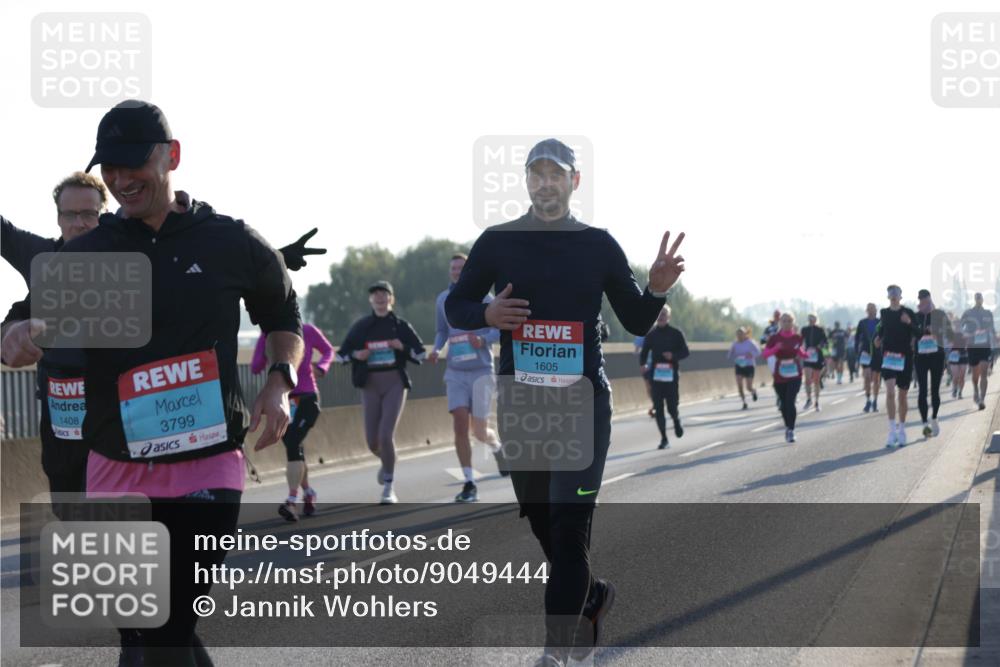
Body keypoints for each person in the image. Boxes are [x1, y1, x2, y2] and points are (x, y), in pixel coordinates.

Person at [1, 100, 303, 666]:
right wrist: (15, 335)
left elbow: (284, 315)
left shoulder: (231, 240)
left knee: (164, 621)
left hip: (206, 462)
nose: (119, 179)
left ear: (172, 157)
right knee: (152, 631)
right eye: (108, 168)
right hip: (113, 464)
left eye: (131, 164)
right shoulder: (89, 251)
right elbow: (22, 319)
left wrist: (279, 381)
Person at [445, 138, 685, 667]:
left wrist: (657, 288)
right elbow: (458, 304)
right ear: (526, 181)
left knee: (569, 526)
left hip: (582, 403)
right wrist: (486, 316)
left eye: (557, 174)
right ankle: (593, 594)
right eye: (537, 174)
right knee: (538, 516)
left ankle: (555, 654)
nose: (546, 182)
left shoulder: (597, 245)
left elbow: (638, 321)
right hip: (521, 401)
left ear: (575, 182)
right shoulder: (498, 241)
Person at [0, 173, 107, 500]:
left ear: (103, 215)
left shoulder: (129, 258)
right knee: (68, 499)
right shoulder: (41, 256)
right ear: (58, 218)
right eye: (70, 215)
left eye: (89, 214)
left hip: (114, 406)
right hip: (60, 406)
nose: (80, 223)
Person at [336, 280, 425, 504]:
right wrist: (357, 355)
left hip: (394, 382)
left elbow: (420, 354)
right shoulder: (362, 326)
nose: (380, 298)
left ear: (391, 299)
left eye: (384, 295)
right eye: (375, 295)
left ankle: (388, 486)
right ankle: (388, 461)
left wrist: (401, 347)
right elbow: (341, 355)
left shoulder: (400, 325)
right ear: (370, 300)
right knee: (372, 442)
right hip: (370, 384)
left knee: (386, 435)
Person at [428, 253, 505, 504]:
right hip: (455, 372)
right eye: (453, 268)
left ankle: (497, 447)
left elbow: (500, 329)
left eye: (461, 268)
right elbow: (442, 330)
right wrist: (437, 349)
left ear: (468, 270)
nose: (456, 272)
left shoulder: (484, 298)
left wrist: (483, 339)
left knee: (480, 432)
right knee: (460, 424)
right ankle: (469, 482)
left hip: (481, 370)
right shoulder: (443, 299)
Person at [251, 322, 334, 520]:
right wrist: (267, 350)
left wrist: (321, 367)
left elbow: (328, 351)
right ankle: (309, 492)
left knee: (294, 442)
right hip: (285, 401)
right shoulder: (267, 335)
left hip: (307, 398)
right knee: (293, 446)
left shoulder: (308, 330)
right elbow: (255, 367)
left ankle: (291, 500)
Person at [874, 285, 920, 448]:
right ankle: (892, 430)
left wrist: (909, 323)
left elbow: (919, 333)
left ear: (901, 296)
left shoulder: (908, 313)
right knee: (890, 392)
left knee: (902, 395)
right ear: (888, 297)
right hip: (888, 357)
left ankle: (902, 430)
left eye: (896, 293)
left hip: (905, 357)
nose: (893, 296)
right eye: (890, 293)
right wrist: (877, 339)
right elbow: (881, 330)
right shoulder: (884, 313)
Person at [639, 305, 691, 449]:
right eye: (659, 313)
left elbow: (686, 352)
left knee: (672, 406)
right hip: (656, 376)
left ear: (669, 317)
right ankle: (664, 439)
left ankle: (676, 419)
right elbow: (644, 353)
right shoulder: (651, 335)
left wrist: (673, 356)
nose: (661, 316)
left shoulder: (676, 333)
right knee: (658, 408)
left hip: (671, 375)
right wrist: (642, 364)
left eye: (664, 314)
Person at [761, 312, 808, 443]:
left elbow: (800, 351)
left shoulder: (798, 338)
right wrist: (775, 348)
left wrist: (806, 354)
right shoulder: (774, 338)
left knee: (790, 401)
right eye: (784, 321)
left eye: (789, 321)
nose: (786, 323)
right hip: (780, 374)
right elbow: (765, 354)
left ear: (793, 323)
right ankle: (787, 426)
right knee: (783, 405)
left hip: (795, 373)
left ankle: (791, 430)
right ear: (780, 323)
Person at [913, 289, 951, 438]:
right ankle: (924, 423)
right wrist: (921, 329)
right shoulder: (915, 317)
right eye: (922, 302)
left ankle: (934, 417)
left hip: (937, 357)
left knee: (935, 390)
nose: (925, 305)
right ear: (919, 302)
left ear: (931, 301)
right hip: (921, 357)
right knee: (922, 391)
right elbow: (912, 332)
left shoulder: (940, 314)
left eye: (927, 302)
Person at [961, 292, 996, 410]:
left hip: (985, 346)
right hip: (972, 347)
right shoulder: (968, 313)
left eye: (980, 298)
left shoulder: (988, 313)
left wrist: (995, 338)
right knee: (975, 374)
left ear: (983, 299)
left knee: (984, 372)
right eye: (977, 298)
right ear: (974, 299)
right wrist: (966, 334)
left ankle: (982, 399)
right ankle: (975, 389)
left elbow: (992, 329)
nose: (979, 299)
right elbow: (960, 327)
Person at [855, 303, 882, 412]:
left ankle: (875, 400)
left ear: (876, 310)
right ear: (867, 310)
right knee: (866, 377)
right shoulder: (862, 323)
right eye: (869, 309)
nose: (871, 311)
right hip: (865, 352)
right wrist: (857, 351)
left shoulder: (880, 322)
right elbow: (857, 338)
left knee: (876, 379)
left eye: (873, 309)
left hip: (877, 353)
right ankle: (868, 400)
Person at [727, 326, 759, 410]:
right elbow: (729, 354)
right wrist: (731, 354)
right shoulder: (735, 343)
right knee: (739, 385)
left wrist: (751, 354)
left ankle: (753, 391)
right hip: (739, 365)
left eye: (741, 334)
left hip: (749, 365)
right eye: (738, 334)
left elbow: (758, 352)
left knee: (748, 387)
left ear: (745, 334)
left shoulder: (750, 342)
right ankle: (744, 402)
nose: (739, 336)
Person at [800, 314, 827, 411]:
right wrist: (801, 349)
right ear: (808, 319)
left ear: (816, 319)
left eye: (813, 318)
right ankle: (808, 399)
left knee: (816, 380)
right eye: (810, 318)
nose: (811, 320)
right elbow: (800, 341)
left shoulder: (820, 330)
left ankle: (817, 401)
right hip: (807, 356)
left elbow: (825, 342)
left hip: (817, 356)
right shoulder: (804, 329)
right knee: (807, 379)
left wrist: (820, 346)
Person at [633, 333, 655, 418]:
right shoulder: (641, 335)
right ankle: (655, 404)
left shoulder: (658, 332)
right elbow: (636, 350)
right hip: (646, 366)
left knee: (656, 386)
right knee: (649, 387)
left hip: (657, 365)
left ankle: (657, 404)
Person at [948, 321, 969, 399]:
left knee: (962, 376)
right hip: (954, 356)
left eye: (959, 325)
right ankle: (955, 389)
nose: (957, 327)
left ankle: (960, 392)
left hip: (964, 356)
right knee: (956, 376)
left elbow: (969, 344)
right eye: (956, 325)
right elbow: (948, 344)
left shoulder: (965, 334)